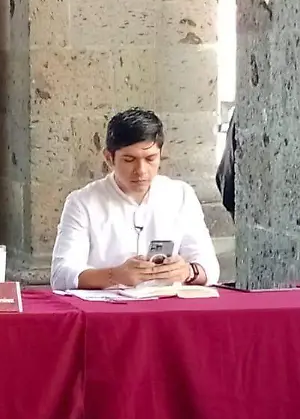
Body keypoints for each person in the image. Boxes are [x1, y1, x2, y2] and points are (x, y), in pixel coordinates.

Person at [50, 107, 220, 291]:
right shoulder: (82, 202)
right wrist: (114, 275)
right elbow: (61, 275)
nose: (141, 171)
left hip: (166, 303)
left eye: (150, 159)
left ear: (161, 154)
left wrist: (188, 272)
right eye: (129, 160)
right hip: (107, 305)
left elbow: (210, 268)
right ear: (109, 158)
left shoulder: (181, 195)